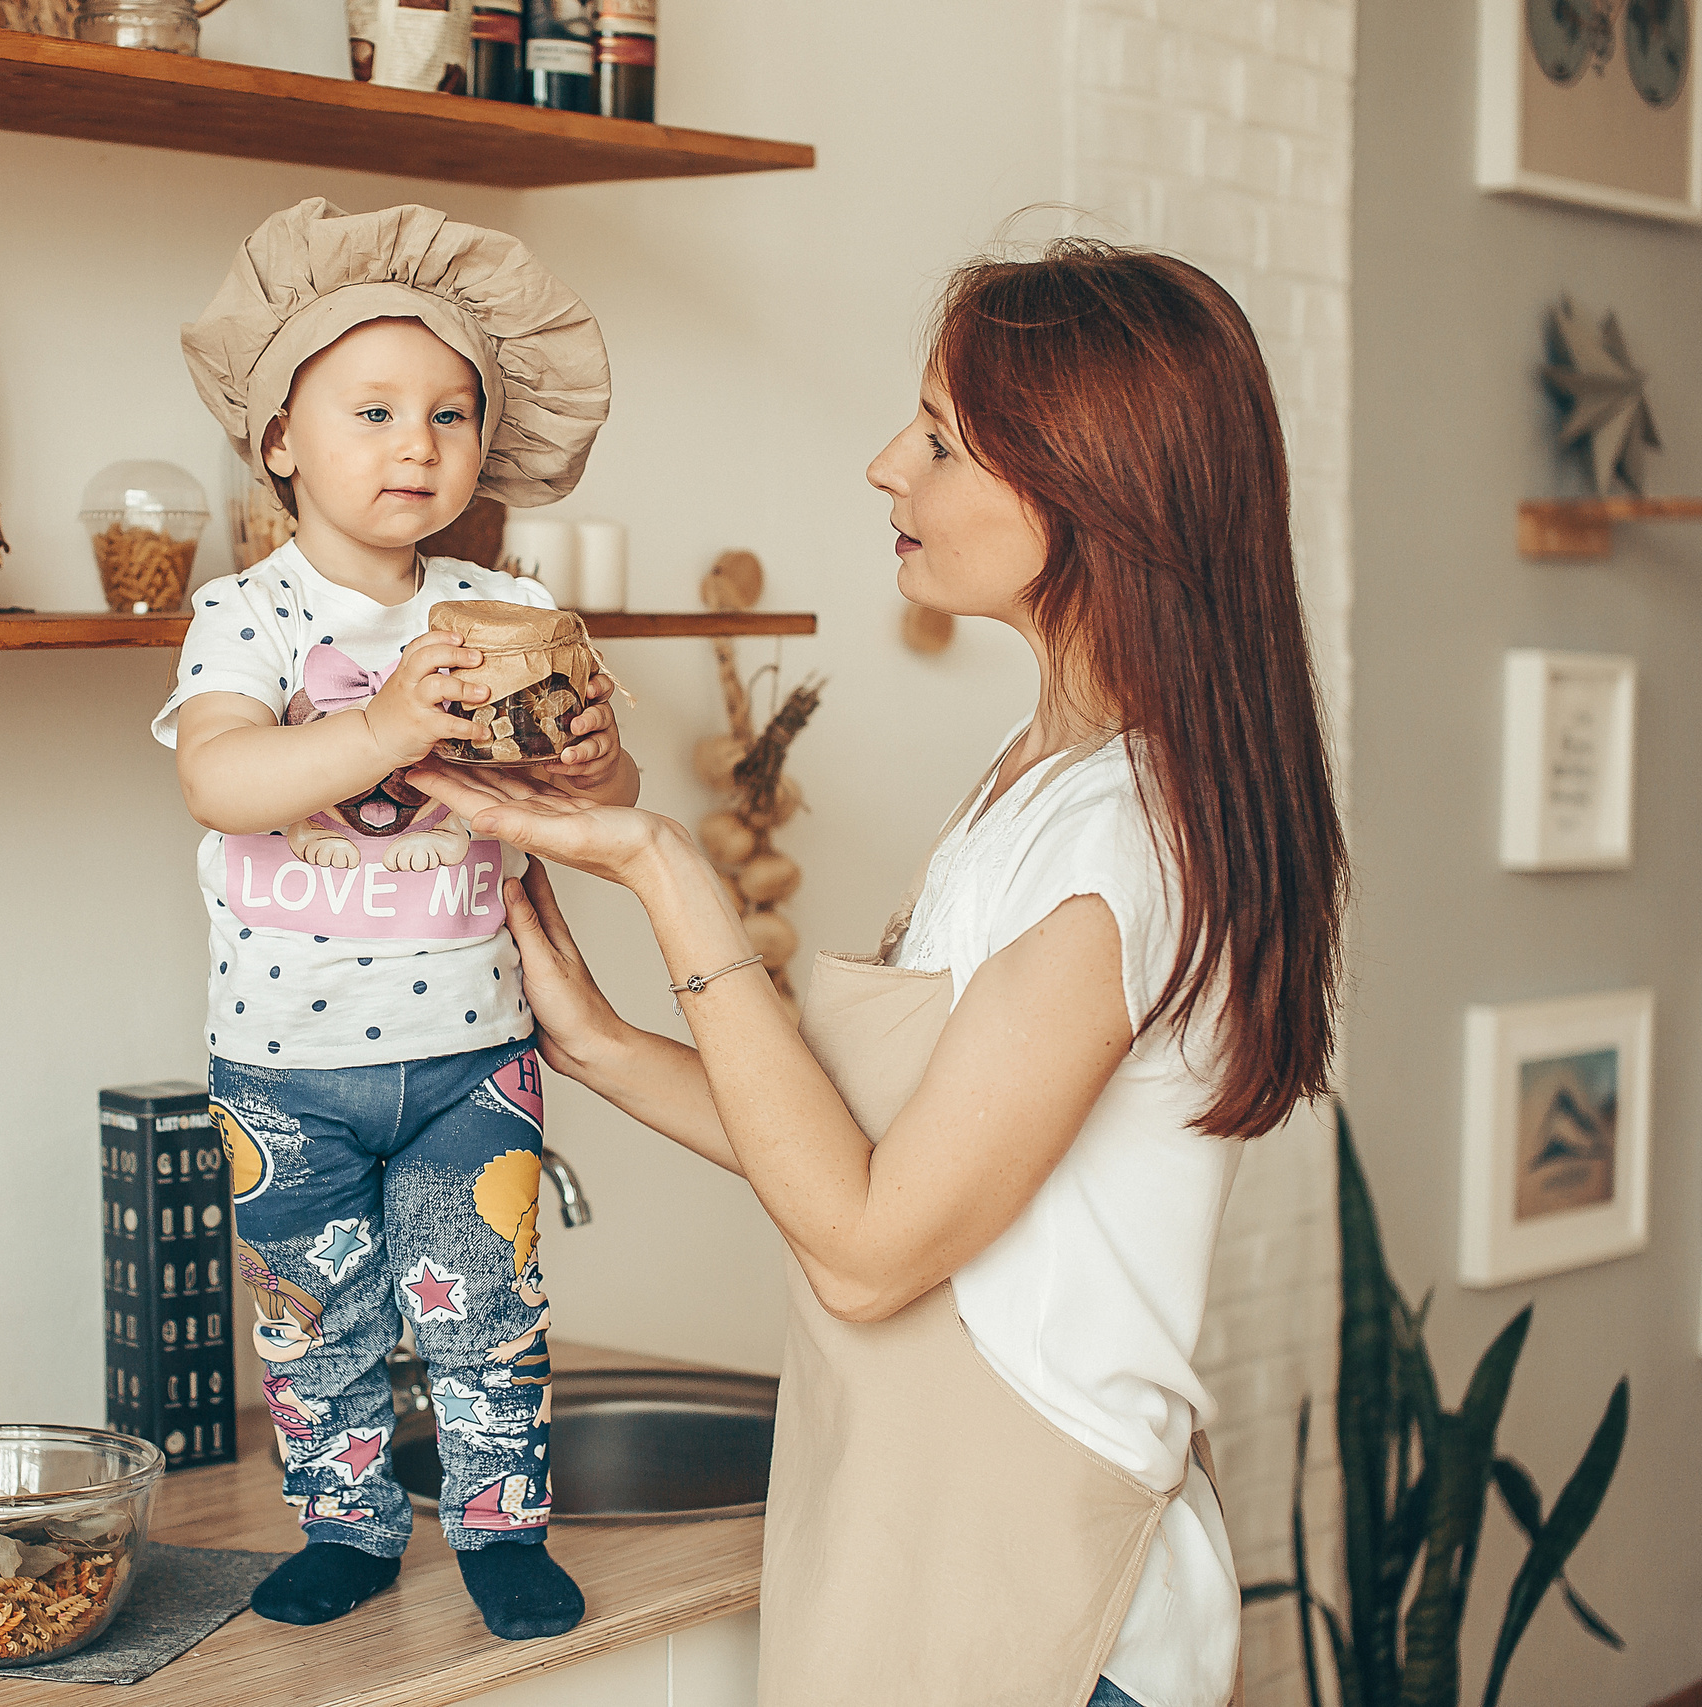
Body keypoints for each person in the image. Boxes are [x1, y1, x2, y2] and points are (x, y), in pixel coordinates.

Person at [414, 238, 1345, 1707]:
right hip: (937, 1556)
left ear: (1084, 483)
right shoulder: (1036, 782)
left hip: (1059, 1622)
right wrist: (591, 1036)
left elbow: (865, 1247)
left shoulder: (1127, 844)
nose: (882, 467)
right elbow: (856, 1157)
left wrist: (670, 873)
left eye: (938, 438)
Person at [156, 198, 637, 1641]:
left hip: (473, 1052)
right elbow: (222, 776)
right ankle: (351, 1528)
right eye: (372, 410)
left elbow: (595, 787)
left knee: (487, 1307)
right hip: (284, 1067)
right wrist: (387, 726)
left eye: (450, 414)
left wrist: (593, 754)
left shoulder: (507, 602)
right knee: (315, 1322)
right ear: (281, 441)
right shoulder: (247, 616)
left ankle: (500, 1530)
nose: (417, 445)